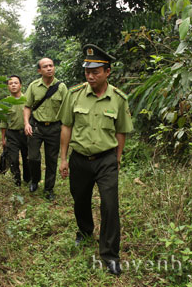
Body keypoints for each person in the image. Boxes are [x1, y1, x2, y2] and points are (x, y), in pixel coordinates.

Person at [58, 44, 133, 276]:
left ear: (107, 72)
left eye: (95, 72)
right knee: (80, 198)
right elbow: (66, 126)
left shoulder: (118, 98)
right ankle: (85, 229)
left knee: (110, 205)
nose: (90, 76)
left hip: (106, 159)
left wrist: (117, 158)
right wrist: (63, 158)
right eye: (87, 72)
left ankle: (110, 255)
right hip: (79, 158)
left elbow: (121, 130)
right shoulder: (74, 95)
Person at [23, 58, 68, 200]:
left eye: (51, 66)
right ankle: (35, 180)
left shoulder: (61, 87)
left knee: (51, 160)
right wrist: (26, 123)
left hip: (54, 127)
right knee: (33, 157)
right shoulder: (33, 86)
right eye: (45, 66)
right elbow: (27, 106)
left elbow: (67, 109)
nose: (49, 68)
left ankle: (49, 189)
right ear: (39, 70)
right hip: (36, 126)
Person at [0, 75, 31, 187]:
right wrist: (3, 139)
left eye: (16, 83)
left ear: (20, 85)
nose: (13, 85)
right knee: (13, 159)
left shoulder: (27, 99)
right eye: (10, 83)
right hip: (11, 134)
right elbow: (3, 122)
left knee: (27, 158)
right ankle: (16, 180)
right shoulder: (5, 102)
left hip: (25, 134)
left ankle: (28, 179)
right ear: (8, 87)